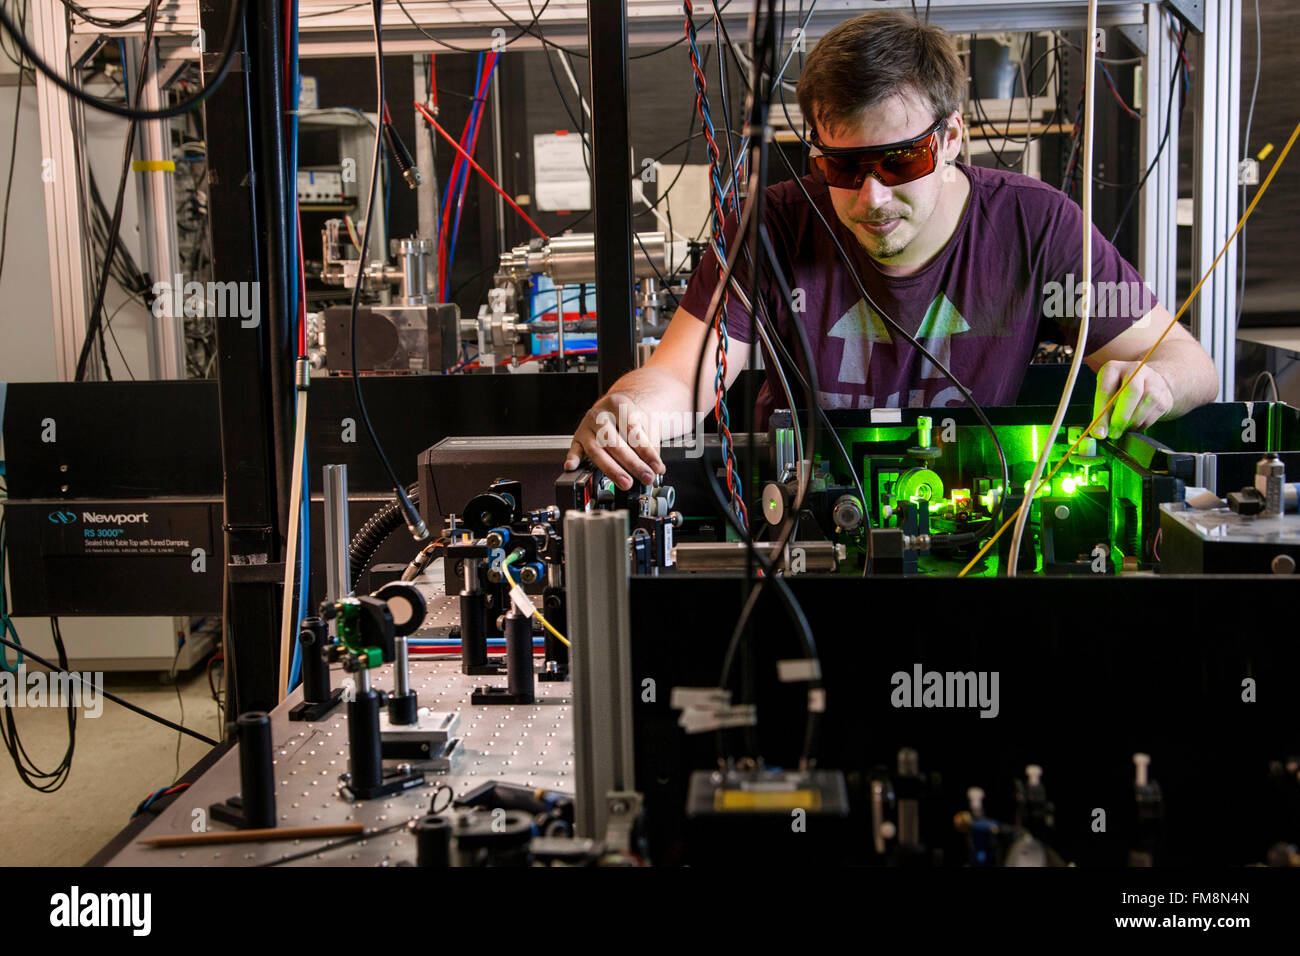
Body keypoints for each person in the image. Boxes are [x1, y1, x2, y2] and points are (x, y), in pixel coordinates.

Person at [564, 10, 1217, 492]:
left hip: (974, 528)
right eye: (843, 168)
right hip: (805, 527)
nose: (871, 199)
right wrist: (627, 408)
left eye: (901, 161)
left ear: (953, 135)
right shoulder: (771, 226)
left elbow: (1190, 362)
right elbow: (680, 379)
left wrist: (1155, 381)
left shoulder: (1034, 225)